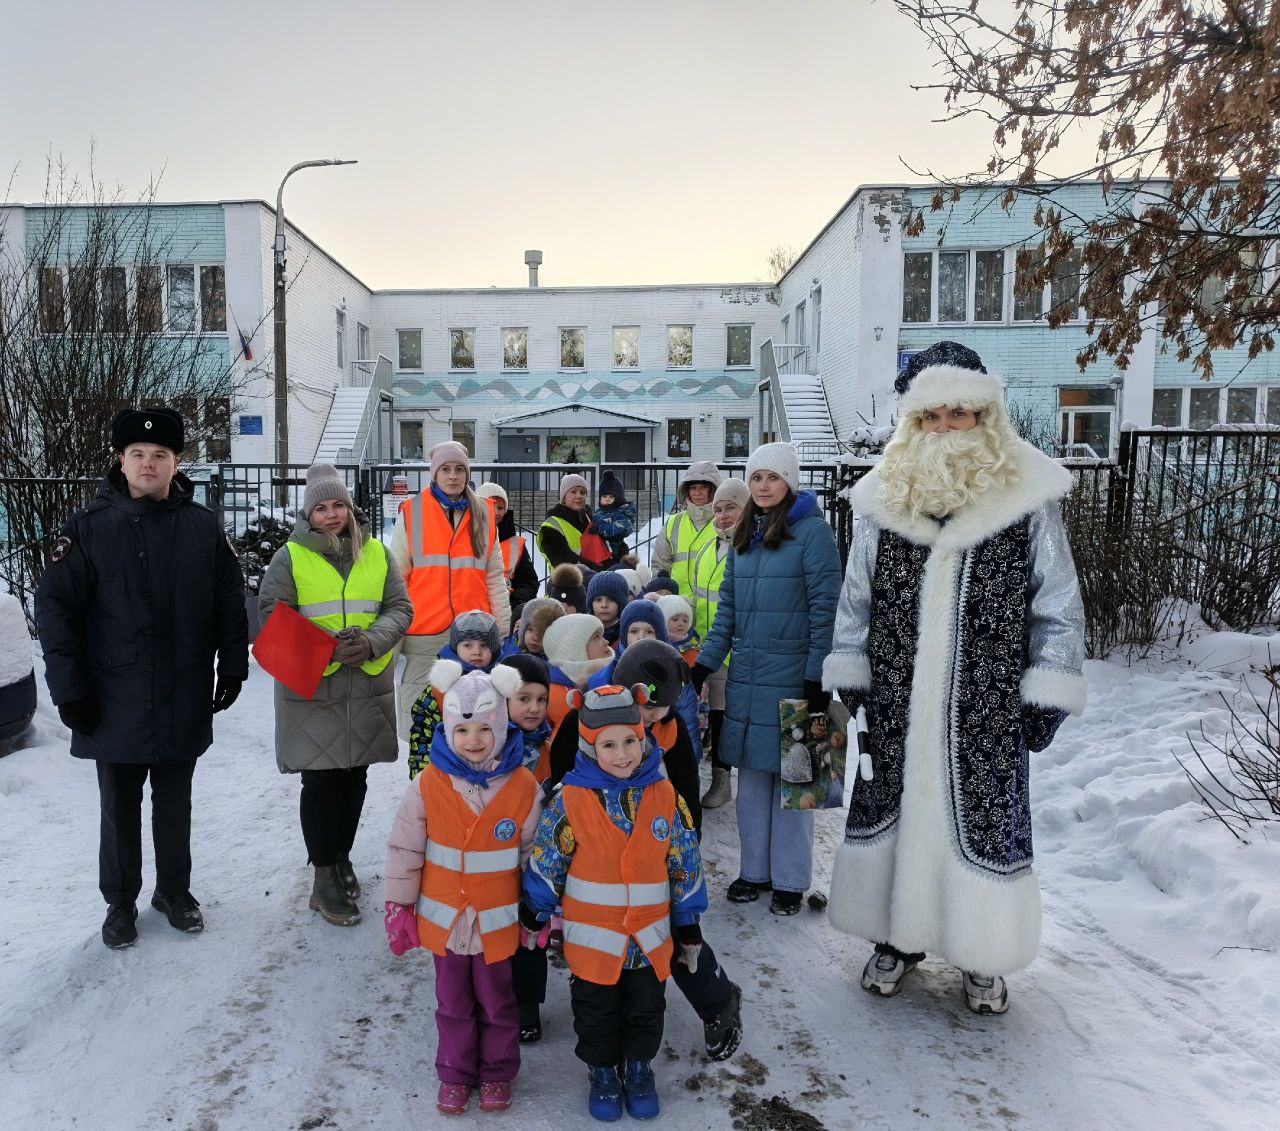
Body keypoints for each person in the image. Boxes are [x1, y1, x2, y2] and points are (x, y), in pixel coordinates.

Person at [820, 341, 1086, 1015]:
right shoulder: (883, 495)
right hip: (897, 698)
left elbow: (1057, 601)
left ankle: (980, 953)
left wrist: (1048, 686)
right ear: (913, 421)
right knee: (895, 813)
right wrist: (852, 670)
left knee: (980, 822)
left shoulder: (1027, 495)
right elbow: (856, 598)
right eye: (930, 415)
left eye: (957, 413)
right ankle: (895, 938)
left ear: (983, 415)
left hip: (987, 705)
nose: (943, 427)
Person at [36, 407, 248, 948]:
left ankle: (174, 891)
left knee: (175, 803)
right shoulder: (86, 530)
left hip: (182, 691)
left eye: (160, 454)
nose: (148, 464)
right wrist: (69, 692)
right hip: (113, 698)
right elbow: (56, 615)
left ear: (176, 462)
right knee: (119, 808)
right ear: (120, 460)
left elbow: (228, 600)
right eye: (138, 454)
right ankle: (120, 902)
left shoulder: (201, 527)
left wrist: (233, 662)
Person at [546, 641, 744, 1062]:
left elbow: (685, 786)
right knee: (603, 945)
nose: (656, 717)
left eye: (662, 709)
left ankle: (718, 1000)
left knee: (673, 932)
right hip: (597, 853)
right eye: (650, 709)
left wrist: (686, 840)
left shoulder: (668, 725)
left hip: (652, 847)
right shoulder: (586, 715)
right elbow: (561, 775)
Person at [521, 683, 706, 1121]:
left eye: (629, 741)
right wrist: (535, 908)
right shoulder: (569, 799)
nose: (622, 754)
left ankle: (639, 1068)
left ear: (643, 739)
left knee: (647, 1008)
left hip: (648, 938)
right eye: (608, 745)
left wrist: (687, 922)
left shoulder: (664, 795)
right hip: (593, 941)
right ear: (590, 747)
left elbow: (683, 860)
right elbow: (549, 859)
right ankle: (603, 1071)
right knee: (595, 1012)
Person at [258, 464, 413, 926]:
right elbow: (273, 615)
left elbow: (399, 607)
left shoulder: (377, 553)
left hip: (365, 684)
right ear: (309, 514)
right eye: (321, 508)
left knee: (354, 777)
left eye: (338, 505)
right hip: (313, 687)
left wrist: (371, 642)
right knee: (321, 782)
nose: (330, 515)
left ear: (349, 507)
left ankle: (341, 857)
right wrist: (327, 649)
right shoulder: (289, 557)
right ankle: (323, 878)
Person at [384, 662, 540, 1114]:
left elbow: (533, 855)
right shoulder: (427, 784)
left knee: (498, 1002)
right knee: (451, 1002)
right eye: (463, 729)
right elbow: (405, 848)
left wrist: (537, 910)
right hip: (446, 921)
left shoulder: (524, 786)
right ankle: (454, 1073)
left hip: (497, 922)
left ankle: (496, 1071)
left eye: (485, 729)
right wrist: (399, 906)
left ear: (502, 727)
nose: (474, 740)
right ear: (449, 729)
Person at [692, 442, 840, 916]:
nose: (763, 486)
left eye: (772, 477)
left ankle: (791, 880)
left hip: (797, 680)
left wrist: (818, 676)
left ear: (790, 482)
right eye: (756, 477)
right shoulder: (745, 536)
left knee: (796, 785)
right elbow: (728, 613)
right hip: (749, 680)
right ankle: (754, 871)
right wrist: (704, 664)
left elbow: (826, 610)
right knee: (753, 783)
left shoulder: (814, 534)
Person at [391, 441, 510, 739]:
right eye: (445, 469)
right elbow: (396, 579)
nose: (453, 476)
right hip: (423, 631)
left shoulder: (484, 513)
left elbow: (494, 577)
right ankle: (426, 769)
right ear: (434, 473)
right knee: (420, 719)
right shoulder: (412, 512)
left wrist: (502, 630)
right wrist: (396, 633)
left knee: (473, 717)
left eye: (459, 469)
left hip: (474, 631)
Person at [498, 653, 555, 1042]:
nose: (534, 708)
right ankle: (496, 995)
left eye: (541, 699)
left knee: (532, 930)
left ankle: (527, 1004)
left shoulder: (552, 742)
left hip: (539, 855)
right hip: (497, 853)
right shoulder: (491, 742)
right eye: (524, 698)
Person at [692, 478, 749, 810]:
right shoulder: (708, 546)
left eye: (731, 508)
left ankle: (725, 778)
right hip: (708, 645)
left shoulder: (750, 547)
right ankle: (720, 779)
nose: (723, 515)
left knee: (727, 717)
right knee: (716, 715)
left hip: (735, 647)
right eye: (718, 509)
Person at [407, 610, 502, 780]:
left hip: (493, 772)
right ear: (455, 647)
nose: (476, 652)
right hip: (447, 771)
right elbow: (423, 730)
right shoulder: (442, 686)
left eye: (484, 645)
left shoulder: (501, 683)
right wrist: (422, 774)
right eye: (468, 645)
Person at [650, 461, 723, 595]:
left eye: (703, 487)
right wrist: (663, 593)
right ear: (686, 490)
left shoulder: (723, 521)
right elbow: (660, 565)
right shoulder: (673, 523)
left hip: (714, 603)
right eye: (693, 487)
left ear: (713, 489)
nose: (697, 492)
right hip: (678, 603)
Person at [477, 482, 540, 609]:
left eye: (500, 508)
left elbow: (529, 583)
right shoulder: (464, 538)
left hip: (506, 608)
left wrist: (514, 600)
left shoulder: (516, 545)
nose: (496, 512)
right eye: (490, 505)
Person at [537, 474, 597, 571]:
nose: (579, 496)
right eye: (573, 492)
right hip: (568, 579)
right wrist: (597, 568)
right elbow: (563, 561)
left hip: (598, 577)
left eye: (583, 492)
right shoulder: (551, 526)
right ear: (563, 498)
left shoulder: (591, 521)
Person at [589, 469, 636, 564]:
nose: (607, 499)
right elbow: (590, 524)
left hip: (617, 552)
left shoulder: (619, 513)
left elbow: (618, 527)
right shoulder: (598, 513)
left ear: (618, 498)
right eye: (604, 496)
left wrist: (599, 529)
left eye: (611, 497)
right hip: (600, 550)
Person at [500, 597, 563, 661]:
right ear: (522, 629)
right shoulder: (506, 649)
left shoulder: (558, 662)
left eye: (542, 631)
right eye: (530, 629)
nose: (535, 638)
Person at [586, 570, 629, 646]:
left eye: (611, 600)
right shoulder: (583, 633)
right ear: (591, 603)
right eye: (598, 600)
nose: (604, 605)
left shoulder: (628, 635)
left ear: (621, 603)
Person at [657, 594, 699, 665]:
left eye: (685, 620)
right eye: (675, 619)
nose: (681, 623)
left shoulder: (694, 644)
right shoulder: (658, 645)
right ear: (663, 621)